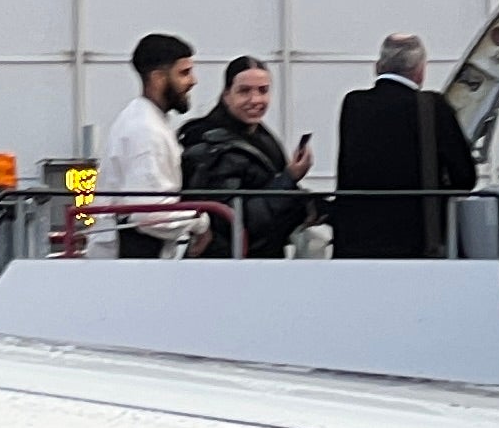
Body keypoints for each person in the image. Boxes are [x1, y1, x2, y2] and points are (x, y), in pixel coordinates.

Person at [330, 30, 478, 259]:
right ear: (420, 71)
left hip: (355, 243)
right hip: (416, 243)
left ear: (378, 66)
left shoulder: (353, 104)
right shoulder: (432, 107)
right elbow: (465, 177)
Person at [175, 56, 315, 260]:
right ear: (226, 95)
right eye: (244, 91)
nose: (255, 100)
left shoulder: (261, 137)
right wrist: (289, 179)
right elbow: (236, 219)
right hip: (229, 266)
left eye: (263, 90)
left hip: (258, 260)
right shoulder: (210, 147)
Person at [96, 32, 208, 257]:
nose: (193, 81)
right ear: (158, 78)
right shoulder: (146, 130)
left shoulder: (142, 119)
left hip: (132, 260)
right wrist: (200, 222)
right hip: (136, 263)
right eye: (184, 73)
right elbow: (149, 215)